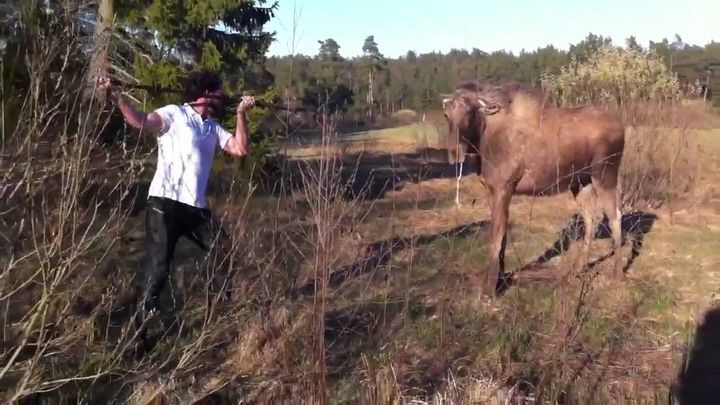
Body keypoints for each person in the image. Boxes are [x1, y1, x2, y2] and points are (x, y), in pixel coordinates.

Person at [97, 71, 255, 326]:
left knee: (224, 250)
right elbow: (140, 122)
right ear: (204, 94)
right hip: (165, 203)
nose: (220, 97)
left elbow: (240, 148)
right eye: (217, 92)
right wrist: (116, 96)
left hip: (196, 208)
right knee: (159, 266)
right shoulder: (174, 114)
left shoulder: (212, 127)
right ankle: (141, 327)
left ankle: (219, 310)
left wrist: (241, 114)